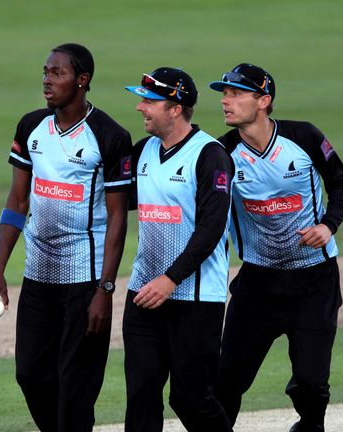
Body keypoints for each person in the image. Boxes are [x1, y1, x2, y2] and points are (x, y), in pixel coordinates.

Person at [0, 43, 132, 432]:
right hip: (39, 277)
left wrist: (105, 289)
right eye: (46, 72)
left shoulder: (110, 136)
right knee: (30, 375)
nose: (48, 81)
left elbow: (118, 219)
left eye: (57, 73)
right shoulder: (31, 127)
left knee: (76, 387)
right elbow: (16, 200)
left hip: (86, 280)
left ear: (82, 81)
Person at [209, 64, 343, 432]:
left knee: (312, 383)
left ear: (264, 101)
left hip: (314, 282)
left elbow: (340, 182)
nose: (226, 101)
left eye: (236, 93)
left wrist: (327, 225)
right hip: (258, 282)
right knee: (228, 379)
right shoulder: (221, 152)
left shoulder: (303, 137)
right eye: (224, 93)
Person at [122, 67, 234, 432]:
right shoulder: (144, 151)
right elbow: (117, 202)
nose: (141, 108)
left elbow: (211, 228)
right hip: (143, 291)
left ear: (175, 108)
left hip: (195, 297)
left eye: (150, 101)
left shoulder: (210, 155)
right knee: (141, 394)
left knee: (189, 398)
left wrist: (170, 280)